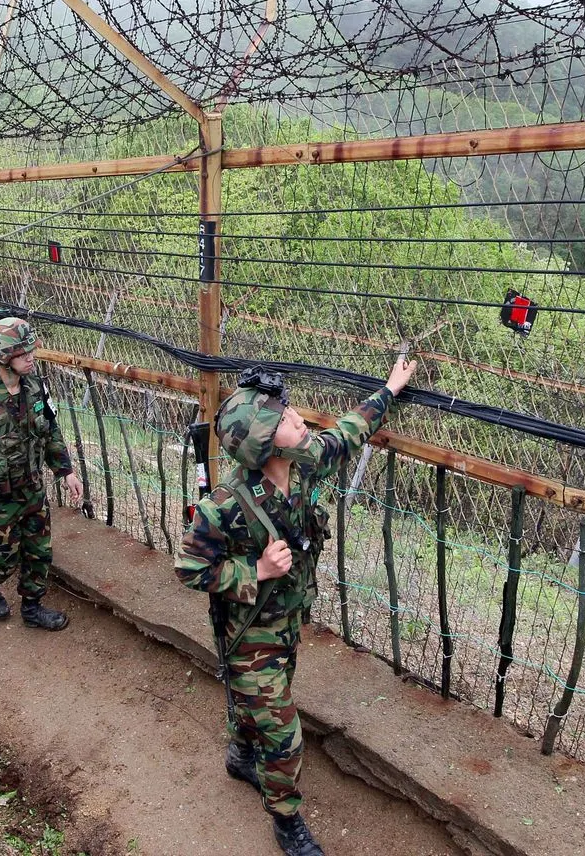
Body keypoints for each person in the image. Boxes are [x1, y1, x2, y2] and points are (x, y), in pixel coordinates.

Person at [175, 358, 418, 856]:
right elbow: (189, 568)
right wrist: (256, 571)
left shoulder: (305, 462)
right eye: (284, 419)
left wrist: (389, 389)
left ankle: (242, 754)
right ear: (264, 445)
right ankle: (286, 821)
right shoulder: (224, 506)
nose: (298, 419)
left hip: (286, 623)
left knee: (265, 703)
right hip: (247, 636)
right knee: (283, 734)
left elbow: (348, 433)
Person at [0, 317, 85, 630]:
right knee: (2, 560)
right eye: (23, 353)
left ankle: (32, 607)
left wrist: (65, 471)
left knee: (39, 553)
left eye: (31, 351)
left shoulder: (35, 387)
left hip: (31, 489)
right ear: (4, 358)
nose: (31, 357)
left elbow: (49, 429)